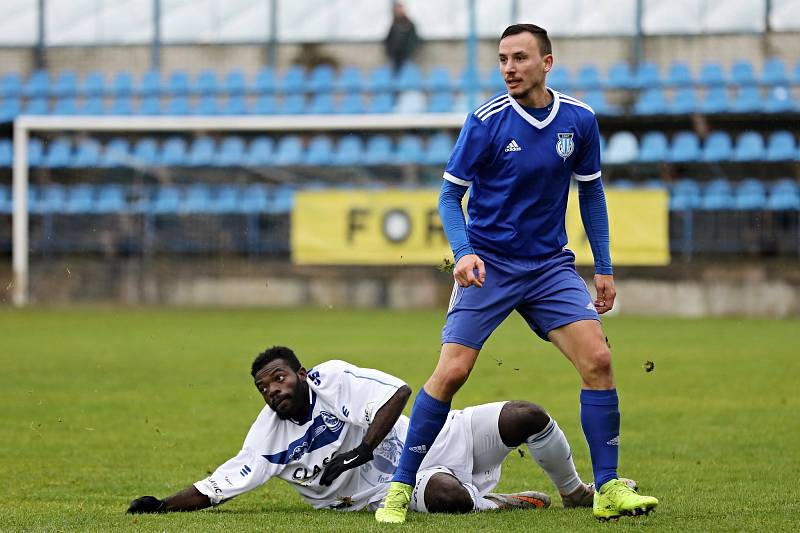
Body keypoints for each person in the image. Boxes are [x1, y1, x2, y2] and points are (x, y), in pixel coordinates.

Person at [375, 24, 659, 523]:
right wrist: (462, 252)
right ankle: (399, 488)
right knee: (453, 371)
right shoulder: (485, 122)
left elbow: (591, 193)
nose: (509, 67)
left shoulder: (579, 120)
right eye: (503, 58)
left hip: (550, 266)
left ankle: (608, 488)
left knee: (598, 360)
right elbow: (448, 195)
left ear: (546, 63)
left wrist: (605, 268)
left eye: (520, 58)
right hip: (490, 265)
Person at [127, 346, 622, 516]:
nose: (272, 391)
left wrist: (362, 448)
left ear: (301, 374)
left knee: (525, 414)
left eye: (278, 378)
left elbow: (399, 393)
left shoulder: (333, 377)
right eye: (263, 387)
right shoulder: (267, 441)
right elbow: (219, 485)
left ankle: (575, 492)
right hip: (391, 489)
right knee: (449, 496)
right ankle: (503, 501)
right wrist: (161, 506)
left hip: (432, 438)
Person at [384, 2, 418, 72]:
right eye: (397, 9)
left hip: (407, 57)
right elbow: (389, 40)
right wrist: (390, 52)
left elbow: (413, 40)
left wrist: (409, 52)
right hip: (394, 57)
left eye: (400, 8)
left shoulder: (409, 25)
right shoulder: (394, 24)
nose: (398, 11)